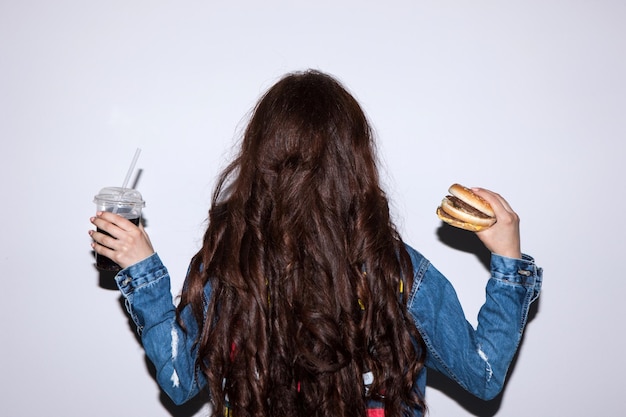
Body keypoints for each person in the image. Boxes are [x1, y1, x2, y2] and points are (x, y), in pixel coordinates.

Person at [89, 70, 542, 417]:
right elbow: (482, 373)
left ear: (260, 161)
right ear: (354, 167)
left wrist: (144, 271)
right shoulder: (396, 272)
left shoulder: (228, 267)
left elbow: (177, 379)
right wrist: (507, 256)